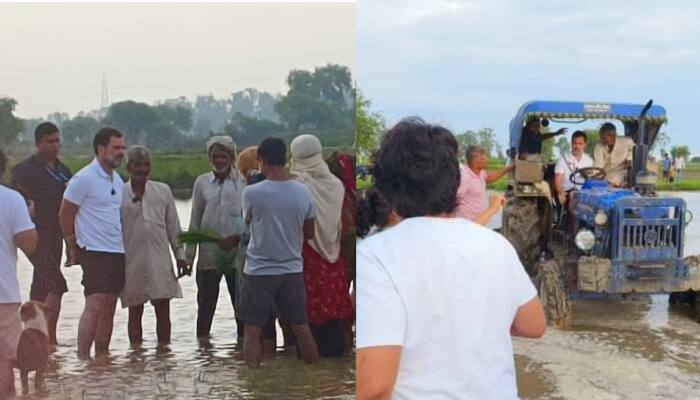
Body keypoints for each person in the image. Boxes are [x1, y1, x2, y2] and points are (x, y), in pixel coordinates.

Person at [356, 117, 546, 400]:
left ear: (388, 187)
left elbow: (373, 387)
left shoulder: (376, 255)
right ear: (453, 181)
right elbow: (534, 325)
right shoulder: (496, 244)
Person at [239, 137, 319, 368]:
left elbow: (246, 224)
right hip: (292, 269)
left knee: (252, 330)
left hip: (258, 271)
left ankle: (253, 382)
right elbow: (310, 233)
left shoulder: (252, 193)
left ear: (261, 160)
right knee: (301, 327)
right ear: (285, 160)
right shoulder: (303, 192)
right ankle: (314, 380)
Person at [59, 127, 127, 360]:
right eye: (116, 147)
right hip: (93, 249)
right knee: (95, 303)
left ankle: (102, 360)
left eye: (122, 148)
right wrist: (71, 245)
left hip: (117, 250)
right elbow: (65, 214)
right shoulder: (83, 178)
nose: (121, 152)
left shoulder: (118, 181)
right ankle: (82, 358)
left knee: (109, 306)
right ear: (101, 149)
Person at [290, 134, 354, 358]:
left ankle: (310, 371)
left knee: (306, 315)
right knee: (332, 312)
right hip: (333, 253)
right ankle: (333, 376)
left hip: (305, 253)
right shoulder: (335, 184)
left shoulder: (295, 184)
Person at [11, 122, 72, 346]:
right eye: (50, 141)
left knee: (42, 284)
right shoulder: (25, 170)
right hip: (34, 235)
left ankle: (37, 338)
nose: (55, 145)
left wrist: (71, 241)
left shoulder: (63, 170)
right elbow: (17, 199)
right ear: (39, 143)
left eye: (57, 140)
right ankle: (45, 337)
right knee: (57, 283)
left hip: (57, 235)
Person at [120, 146, 188, 347]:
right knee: (135, 312)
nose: (142, 169)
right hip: (131, 260)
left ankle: (164, 355)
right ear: (128, 167)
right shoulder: (118, 194)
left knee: (163, 310)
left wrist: (181, 256)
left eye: (146, 164)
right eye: (138, 165)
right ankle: (136, 356)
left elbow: (174, 228)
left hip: (159, 259)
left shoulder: (163, 191)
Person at [185, 136, 246, 344]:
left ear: (231, 157)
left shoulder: (243, 181)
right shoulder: (202, 183)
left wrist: (238, 237)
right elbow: (195, 219)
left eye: (223, 156)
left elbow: (249, 216)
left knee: (241, 307)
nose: (219, 160)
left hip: (237, 257)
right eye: (215, 156)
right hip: (208, 257)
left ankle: (243, 348)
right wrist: (188, 257)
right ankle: (203, 352)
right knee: (205, 307)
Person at [0, 148, 38, 398]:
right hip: (3, 295)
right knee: (3, 359)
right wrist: (29, 217)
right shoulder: (12, 199)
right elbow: (29, 244)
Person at [455, 145, 512, 225]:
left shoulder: (480, 173)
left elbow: (489, 178)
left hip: (479, 222)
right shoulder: (465, 178)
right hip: (467, 225)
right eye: (483, 158)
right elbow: (454, 199)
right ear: (475, 161)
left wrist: (508, 168)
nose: (487, 160)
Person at [554, 130, 594, 205]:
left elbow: (592, 178)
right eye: (575, 143)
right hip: (568, 191)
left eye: (580, 144)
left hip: (586, 191)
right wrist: (561, 192)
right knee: (574, 194)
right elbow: (558, 181)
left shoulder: (589, 160)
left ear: (585, 145)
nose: (577, 146)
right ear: (571, 144)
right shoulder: (563, 159)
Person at [593, 122, 634, 187]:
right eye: (601, 138)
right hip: (605, 175)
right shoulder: (598, 146)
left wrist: (629, 160)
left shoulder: (627, 142)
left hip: (622, 172)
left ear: (612, 136)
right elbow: (599, 163)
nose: (602, 140)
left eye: (604, 138)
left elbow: (633, 152)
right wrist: (596, 175)